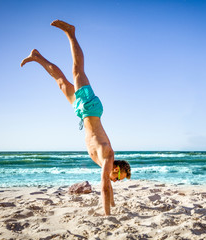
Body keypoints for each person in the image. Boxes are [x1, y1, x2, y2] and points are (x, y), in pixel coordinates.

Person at [21, 20, 131, 215]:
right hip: (91, 109)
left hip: (82, 113)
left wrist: (113, 204)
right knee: (77, 69)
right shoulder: (108, 156)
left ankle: (37, 57)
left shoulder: (106, 165)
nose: (116, 180)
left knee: (62, 83)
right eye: (119, 177)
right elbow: (105, 187)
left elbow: (108, 186)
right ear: (118, 170)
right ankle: (71, 33)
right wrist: (108, 215)